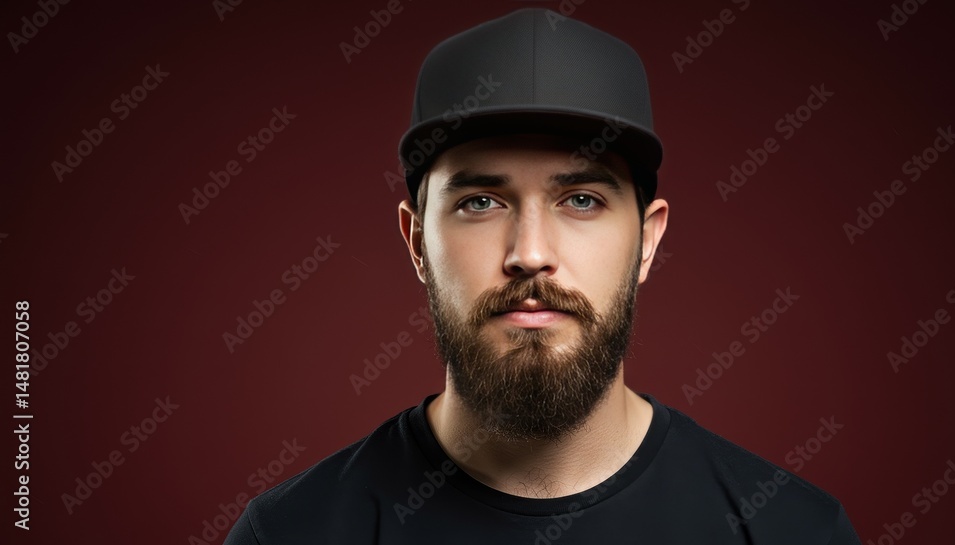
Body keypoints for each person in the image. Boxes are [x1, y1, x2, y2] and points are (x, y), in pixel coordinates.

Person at [224, 8, 862, 544]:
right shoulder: (289, 534)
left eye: (581, 199)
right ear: (417, 241)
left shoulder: (791, 529)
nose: (529, 253)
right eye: (481, 202)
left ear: (648, 240)